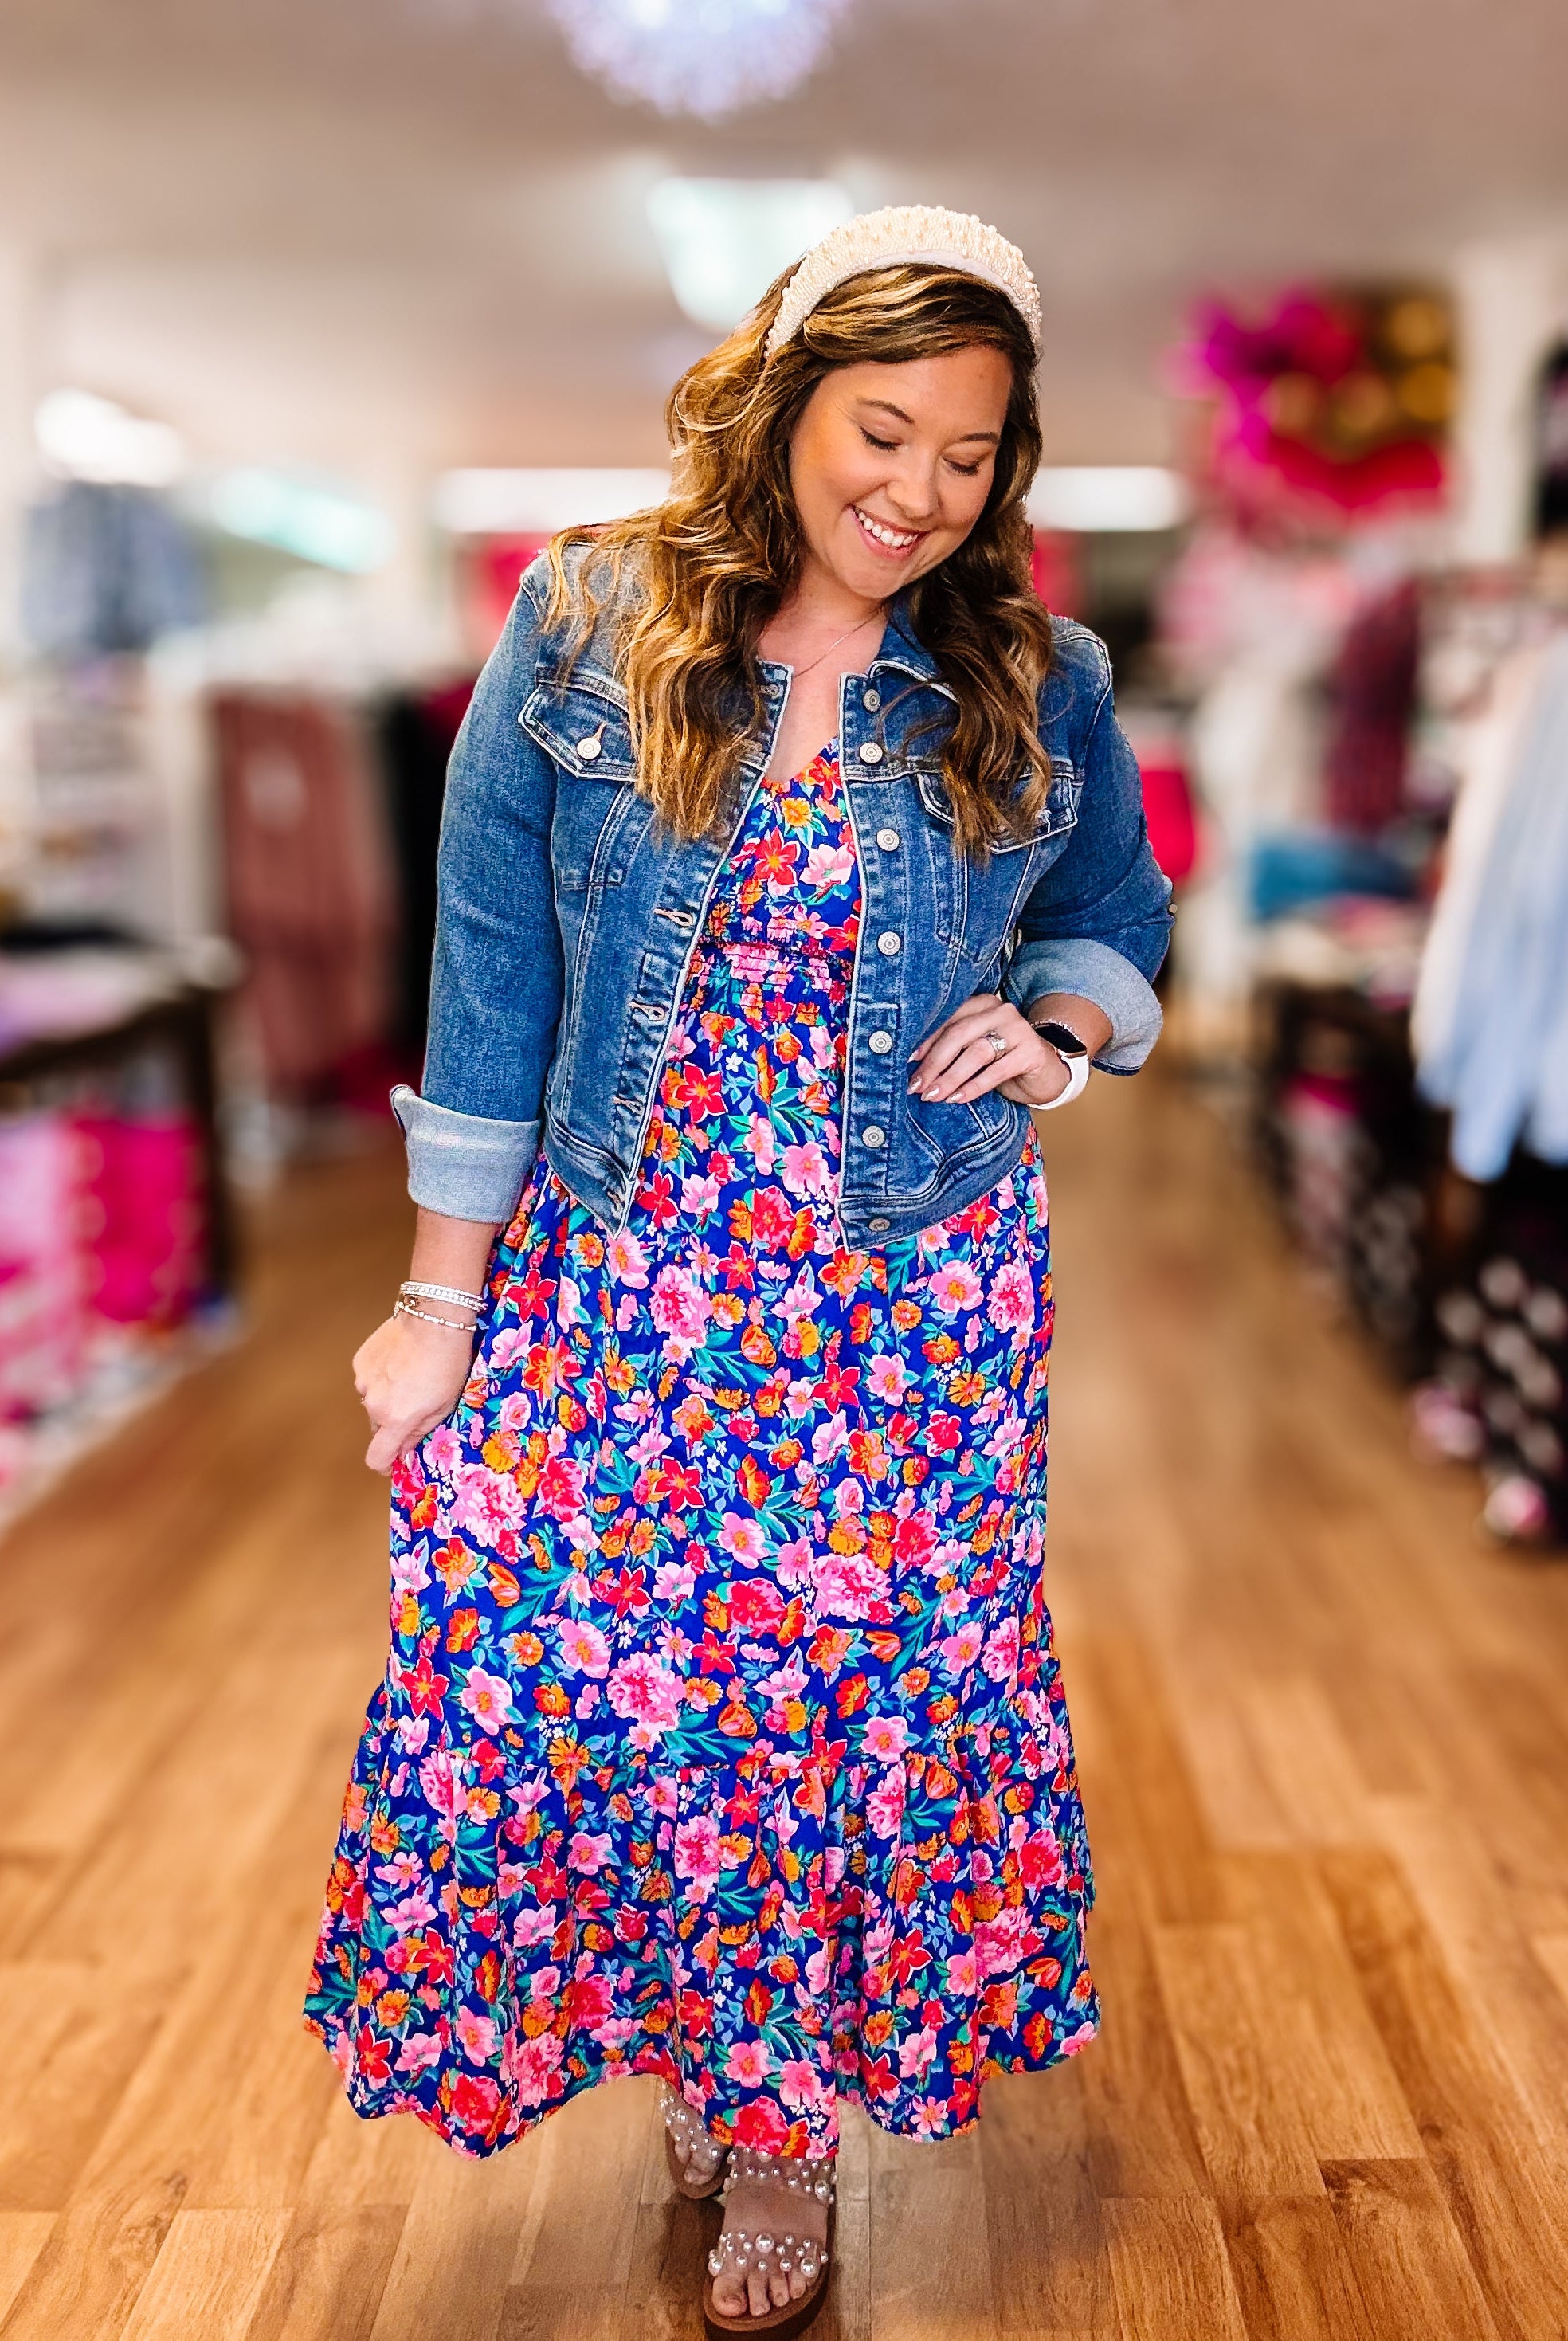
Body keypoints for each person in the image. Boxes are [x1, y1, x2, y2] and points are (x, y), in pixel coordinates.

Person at [305, 204, 1172, 2337]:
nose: (920, 491)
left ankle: (782, 2126)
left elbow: (1120, 915)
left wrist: (1063, 1029)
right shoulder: (586, 618)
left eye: (969, 453)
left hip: (908, 1295)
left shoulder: (1034, 673)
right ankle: (709, 2055)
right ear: (784, 404)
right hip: (624, 1272)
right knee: (577, 1680)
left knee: (837, 1717)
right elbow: (491, 971)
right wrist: (435, 1302)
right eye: (884, 431)